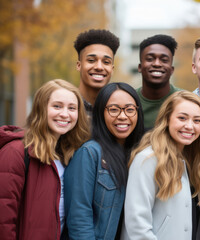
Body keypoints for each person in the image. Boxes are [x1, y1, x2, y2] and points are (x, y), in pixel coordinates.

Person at [0, 79, 90, 239]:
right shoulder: (15, 152)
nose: (65, 114)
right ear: (41, 108)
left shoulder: (68, 154)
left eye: (72, 108)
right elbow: (4, 221)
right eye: (57, 106)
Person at [121, 91, 200, 240]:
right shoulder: (147, 160)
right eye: (182, 118)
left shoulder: (197, 161)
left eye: (197, 120)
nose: (190, 126)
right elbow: (137, 226)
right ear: (167, 119)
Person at [64, 82, 144, 240]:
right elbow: (79, 218)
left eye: (129, 109)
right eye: (113, 109)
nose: (122, 116)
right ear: (101, 113)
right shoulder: (89, 153)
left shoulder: (139, 155)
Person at [136, 34, 181, 130]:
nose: (157, 64)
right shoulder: (129, 102)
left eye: (164, 60)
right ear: (140, 67)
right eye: (150, 59)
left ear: (172, 69)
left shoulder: (185, 101)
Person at [74, 29, 120, 117]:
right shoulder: (65, 107)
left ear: (112, 69)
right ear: (79, 65)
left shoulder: (119, 111)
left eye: (106, 62)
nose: (99, 67)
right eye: (91, 60)